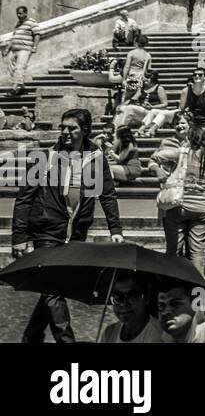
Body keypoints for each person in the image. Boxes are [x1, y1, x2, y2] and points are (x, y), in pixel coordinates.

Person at [13, 108, 125, 342]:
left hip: (76, 231)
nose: (65, 132)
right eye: (63, 127)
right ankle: (67, 341)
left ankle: (30, 337)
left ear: (84, 130)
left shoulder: (96, 157)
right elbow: (24, 198)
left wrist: (115, 229)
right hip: (47, 229)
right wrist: (19, 236)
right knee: (53, 290)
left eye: (71, 128)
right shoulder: (44, 157)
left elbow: (107, 195)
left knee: (53, 288)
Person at [154, 120, 205, 275]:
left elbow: (155, 157)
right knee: (197, 252)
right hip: (202, 208)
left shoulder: (180, 153)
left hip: (179, 205)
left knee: (174, 250)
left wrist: (157, 170)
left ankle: (172, 286)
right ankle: (197, 290)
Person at [98, 272, 164, 343]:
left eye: (132, 296)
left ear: (146, 298)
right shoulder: (109, 333)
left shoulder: (160, 335)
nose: (123, 304)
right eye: (117, 297)